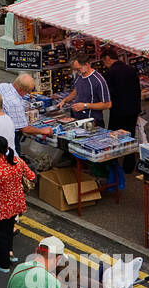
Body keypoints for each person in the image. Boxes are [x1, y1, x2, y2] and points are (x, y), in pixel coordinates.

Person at [0, 135, 35, 272]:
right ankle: (9, 253)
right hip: (15, 202)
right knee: (9, 229)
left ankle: (3, 264)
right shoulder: (18, 161)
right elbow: (31, 176)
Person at [101, 45, 141, 190]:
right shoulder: (131, 69)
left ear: (107, 58)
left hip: (118, 110)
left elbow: (108, 93)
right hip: (133, 109)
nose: (104, 65)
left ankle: (113, 164)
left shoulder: (110, 73)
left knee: (113, 137)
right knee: (130, 136)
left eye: (104, 61)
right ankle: (129, 166)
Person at [57, 52, 112, 128]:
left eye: (78, 69)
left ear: (87, 64)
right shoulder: (79, 75)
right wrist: (64, 100)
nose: (77, 71)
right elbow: (77, 90)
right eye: (75, 69)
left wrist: (85, 106)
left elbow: (107, 104)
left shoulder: (98, 80)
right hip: (77, 119)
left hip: (92, 122)